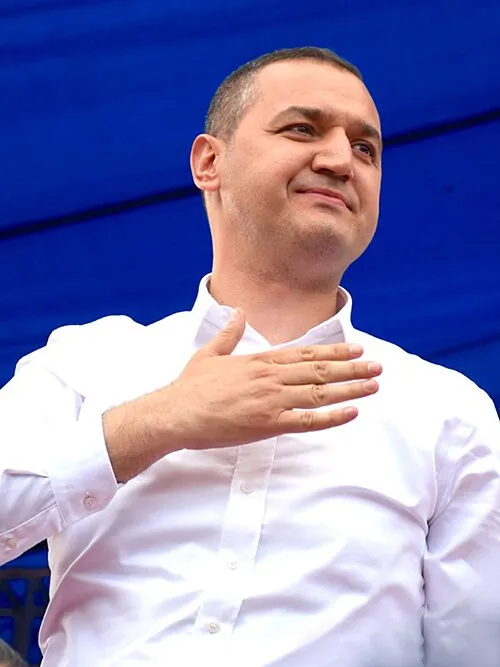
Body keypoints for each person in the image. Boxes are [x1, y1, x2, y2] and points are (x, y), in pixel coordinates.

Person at [0, 46, 499, 667]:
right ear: (210, 162)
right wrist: (156, 422)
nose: (340, 160)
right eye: (303, 129)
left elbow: (474, 646)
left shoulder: (447, 411)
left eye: (365, 148)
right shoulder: (85, 361)